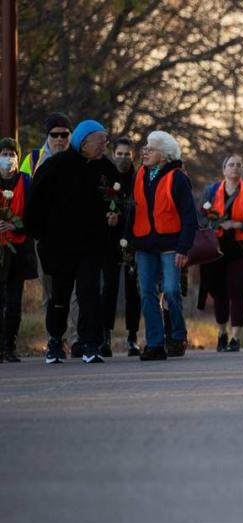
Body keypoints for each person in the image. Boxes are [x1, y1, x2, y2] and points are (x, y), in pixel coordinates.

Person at [24, 119, 121, 364]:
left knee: (90, 295)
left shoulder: (107, 169)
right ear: (84, 142)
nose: (104, 146)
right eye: (101, 141)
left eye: (106, 142)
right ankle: (55, 342)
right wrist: (40, 235)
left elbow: (119, 198)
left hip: (92, 245)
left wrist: (115, 215)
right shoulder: (55, 166)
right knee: (59, 297)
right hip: (59, 246)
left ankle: (90, 344)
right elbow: (35, 204)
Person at [126, 131, 198, 360]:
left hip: (171, 245)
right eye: (146, 147)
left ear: (165, 155)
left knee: (171, 290)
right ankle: (155, 344)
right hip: (144, 245)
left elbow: (189, 217)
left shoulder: (178, 177)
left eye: (151, 148)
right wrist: (127, 240)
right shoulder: (139, 175)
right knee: (147, 293)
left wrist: (184, 248)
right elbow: (132, 210)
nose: (145, 151)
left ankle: (177, 336)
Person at [20, 113, 81, 353]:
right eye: (53, 135)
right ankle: (56, 337)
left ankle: (77, 339)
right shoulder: (33, 159)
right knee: (50, 292)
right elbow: (22, 195)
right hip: (45, 237)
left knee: (77, 292)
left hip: (75, 236)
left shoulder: (79, 158)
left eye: (64, 135)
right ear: (47, 136)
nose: (58, 139)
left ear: (70, 136)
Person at [198, 154, 243, 352]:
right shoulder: (210, 192)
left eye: (239, 165)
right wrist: (215, 224)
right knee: (219, 292)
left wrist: (240, 224)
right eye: (231, 164)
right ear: (224, 170)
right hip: (216, 249)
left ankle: (235, 338)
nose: (235, 168)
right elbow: (199, 219)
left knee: (238, 292)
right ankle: (222, 333)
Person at [99, 135, 142, 357]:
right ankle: (105, 335)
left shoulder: (138, 178)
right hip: (109, 240)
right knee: (109, 287)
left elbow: (140, 208)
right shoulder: (106, 176)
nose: (123, 158)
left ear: (132, 156)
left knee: (133, 289)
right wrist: (107, 217)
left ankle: (132, 336)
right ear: (113, 154)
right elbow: (98, 203)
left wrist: (124, 218)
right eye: (119, 154)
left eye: (127, 154)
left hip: (133, 239)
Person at [0, 138, 39, 362]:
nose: (8, 158)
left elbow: (34, 215)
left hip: (18, 249)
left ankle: (9, 346)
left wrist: (15, 224)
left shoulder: (26, 182)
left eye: (12, 154)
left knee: (14, 301)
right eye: (4, 154)